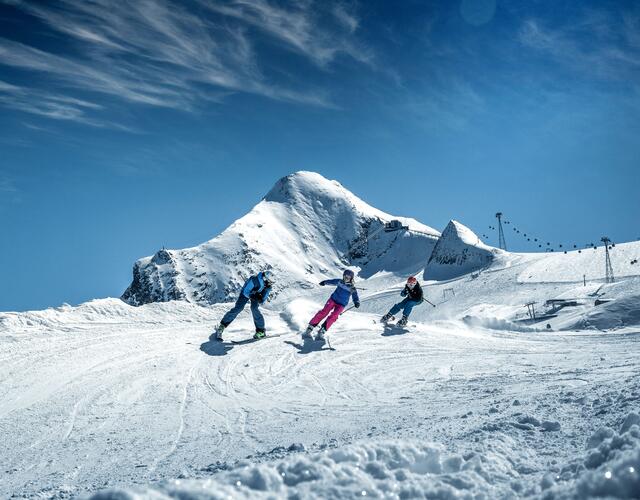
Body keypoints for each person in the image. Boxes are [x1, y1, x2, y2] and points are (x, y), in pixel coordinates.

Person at [214, 271, 273, 341]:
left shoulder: (268, 286)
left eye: (271, 282)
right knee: (239, 308)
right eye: (269, 281)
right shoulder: (254, 280)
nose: (270, 283)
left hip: (256, 295)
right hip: (246, 293)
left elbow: (264, 297)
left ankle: (261, 331)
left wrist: (260, 299)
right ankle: (222, 325)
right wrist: (251, 295)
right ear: (265, 278)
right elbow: (246, 291)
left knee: (254, 309)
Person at [304, 269, 360, 340]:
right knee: (324, 312)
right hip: (333, 300)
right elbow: (332, 281)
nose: (346, 278)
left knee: (334, 316)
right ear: (343, 276)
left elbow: (355, 295)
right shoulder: (340, 282)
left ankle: (322, 330)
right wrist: (324, 282)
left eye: (348, 277)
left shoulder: (352, 287)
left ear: (351, 278)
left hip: (341, 304)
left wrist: (356, 302)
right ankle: (310, 327)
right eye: (345, 276)